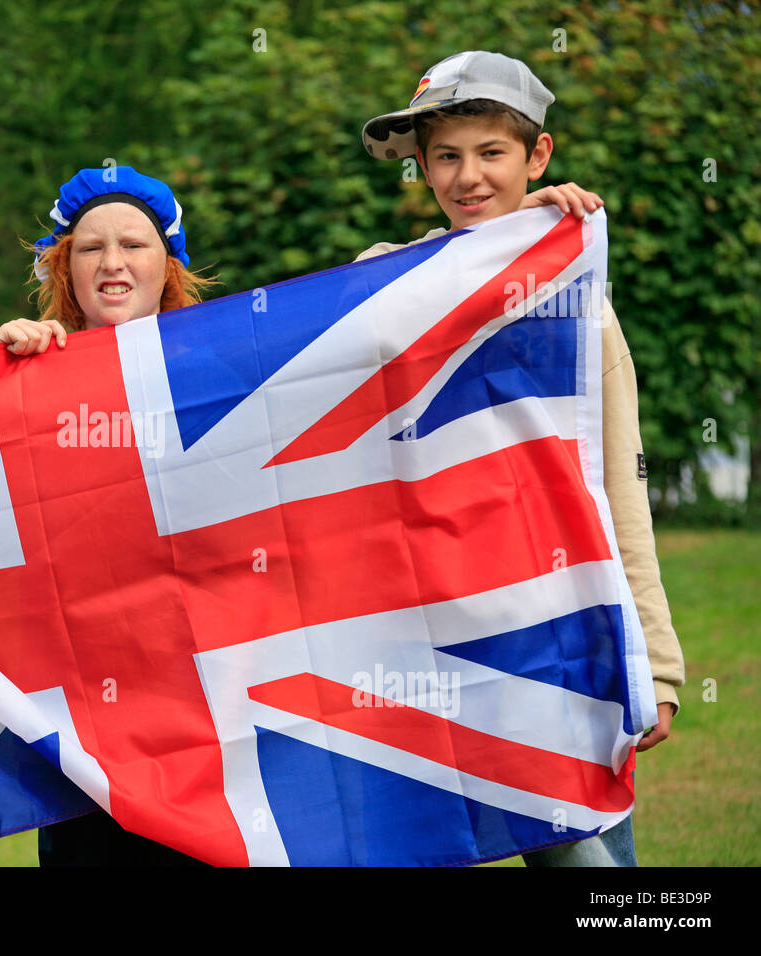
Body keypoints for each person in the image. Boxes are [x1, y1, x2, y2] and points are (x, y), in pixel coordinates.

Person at [358, 50, 685, 866]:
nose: (468, 177)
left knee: (587, 865)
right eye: (445, 156)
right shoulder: (383, 282)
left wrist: (659, 663)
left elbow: (618, 485)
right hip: (416, 647)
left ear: (538, 157)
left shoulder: (582, 311)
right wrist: (503, 247)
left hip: (553, 632)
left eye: (492, 153)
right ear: (422, 169)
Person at [0, 167, 216, 865]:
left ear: (168, 263)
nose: (112, 264)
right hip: (84, 713)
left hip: (203, 704)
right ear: (62, 265)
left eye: (133, 245)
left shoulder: (218, 370)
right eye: (90, 248)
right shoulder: (30, 373)